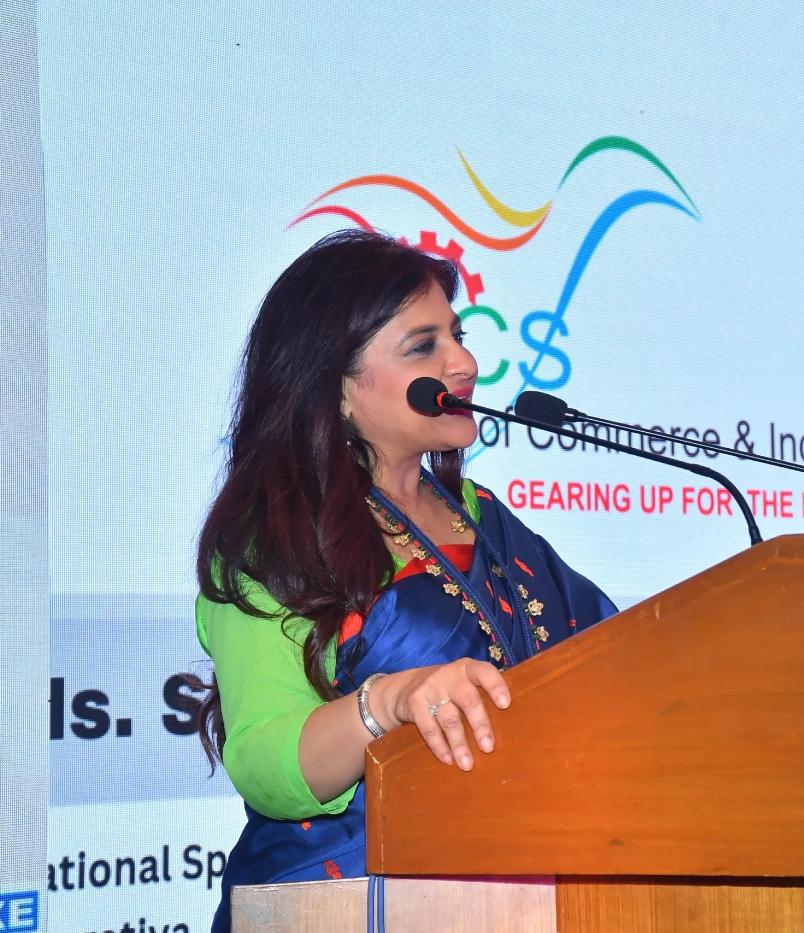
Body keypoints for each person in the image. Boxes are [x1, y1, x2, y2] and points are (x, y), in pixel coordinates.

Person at [188, 229, 618, 931]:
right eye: (423, 346)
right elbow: (264, 760)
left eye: (458, 335)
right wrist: (389, 700)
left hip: (510, 901)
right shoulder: (273, 541)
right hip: (335, 907)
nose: (465, 363)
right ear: (336, 387)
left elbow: (612, 656)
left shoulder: (483, 517)